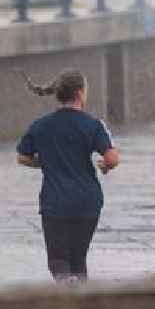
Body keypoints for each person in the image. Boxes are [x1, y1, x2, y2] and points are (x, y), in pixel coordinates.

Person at [16, 69, 119, 284]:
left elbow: (22, 157)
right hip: (87, 201)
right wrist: (105, 167)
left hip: (55, 202)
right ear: (81, 94)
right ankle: (80, 299)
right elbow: (112, 158)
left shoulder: (40, 126)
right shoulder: (93, 125)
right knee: (78, 258)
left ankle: (65, 283)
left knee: (57, 259)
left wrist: (47, 162)